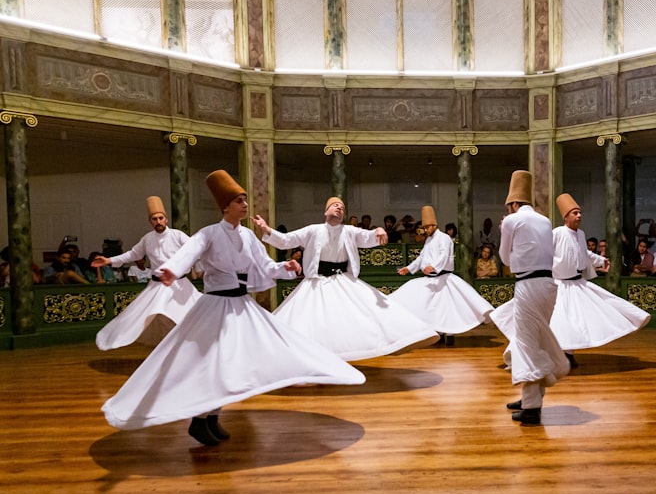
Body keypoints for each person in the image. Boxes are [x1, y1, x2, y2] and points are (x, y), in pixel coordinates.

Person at [101, 170, 365, 446]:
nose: (246, 204)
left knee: (232, 363)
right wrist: (169, 270)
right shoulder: (209, 234)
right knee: (211, 363)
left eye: (245, 199)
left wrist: (285, 268)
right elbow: (187, 254)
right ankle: (200, 420)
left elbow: (264, 266)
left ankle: (211, 417)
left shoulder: (249, 237)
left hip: (241, 305)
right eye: (240, 200)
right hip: (215, 306)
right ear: (226, 206)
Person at [252, 197, 438, 361]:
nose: (339, 208)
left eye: (341, 207)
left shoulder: (350, 231)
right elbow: (286, 240)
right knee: (311, 322)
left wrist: (380, 230)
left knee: (358, 318)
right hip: (316, 283)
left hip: (342, 280)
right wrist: (266, 230)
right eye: (334, 205)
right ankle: (314, 359)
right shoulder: (313, 230)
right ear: (326, 211)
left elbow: (369, 237)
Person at [492, 192, 650, 370]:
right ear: (566, 217)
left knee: (578, 319)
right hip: (560, 284)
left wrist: (600, 260)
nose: (579, 216)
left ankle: (567, 354)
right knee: (558, 320)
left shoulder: (581, 235)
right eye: (575, 213)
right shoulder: (557, 232)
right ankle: (539, 355)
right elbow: (544, 249)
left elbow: (584, 253)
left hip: (577, 283)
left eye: (580, 212)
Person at [496, 171, 570, 425]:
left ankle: (531, 408)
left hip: (527, 284)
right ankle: (531, 397)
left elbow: (505, 259)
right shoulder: (545, 221)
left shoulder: (511, 221)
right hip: (549, 285)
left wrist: (505, 230)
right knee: (532, 340)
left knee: (526, 345)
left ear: (513, 203)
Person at [90, 196, 202, 350]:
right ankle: (167, 350)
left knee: (190, 317)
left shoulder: (178, 235)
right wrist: (108, 261)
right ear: (150, 222)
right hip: (157, 287)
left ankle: (185, 350)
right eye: (154, 219)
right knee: (158, 316)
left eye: (160, 218)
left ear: (166, 219)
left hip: (179, 285)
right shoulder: (147, 239)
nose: (158, 221)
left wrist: (200, 267)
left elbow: (195, 250)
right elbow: (132, 254)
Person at [392, 205, 494, 345]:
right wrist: (409, 268)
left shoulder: (444, 238)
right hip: (431, 279)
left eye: (427, 227)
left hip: (443, 279)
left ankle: (450, 335)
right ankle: (437, 333)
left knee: (447, 308)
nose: (425, 230)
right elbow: (421, 257)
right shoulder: (428, 240)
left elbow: (444, 256)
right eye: (424, 227)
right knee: (431, 307)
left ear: (434, 225)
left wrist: (434, 267)